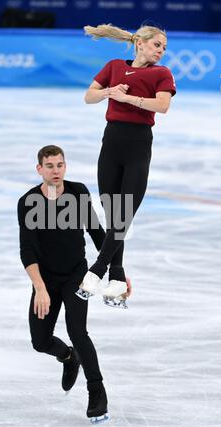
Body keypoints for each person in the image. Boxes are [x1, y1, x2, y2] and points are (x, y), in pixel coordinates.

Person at [18, 145, 131, 422]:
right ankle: (69, 358)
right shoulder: (28, 201)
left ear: (65, 167)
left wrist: (116, 270)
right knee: (40, 341)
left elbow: (97, 232)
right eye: (50, 166)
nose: (56, 171)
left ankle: (97, 392)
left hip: (75, 275)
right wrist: (40, 289)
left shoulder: (78, 192)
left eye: (60, 165)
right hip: (45, 279)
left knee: (78, 330)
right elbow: (27, 251)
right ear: (39, 169)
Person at [77, 23, 176, 304]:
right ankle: (117, 277)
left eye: (164, 48)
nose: (161, 51)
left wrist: (127, 97)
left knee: (124, 214)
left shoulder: (161, 73)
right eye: (157, 45)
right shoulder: (114, 66)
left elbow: (162, 106)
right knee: (114, 216)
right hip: (111, 143)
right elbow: (88, 97)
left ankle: (97, 270)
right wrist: (110, 92)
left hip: (139, 144)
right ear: (140, 44)